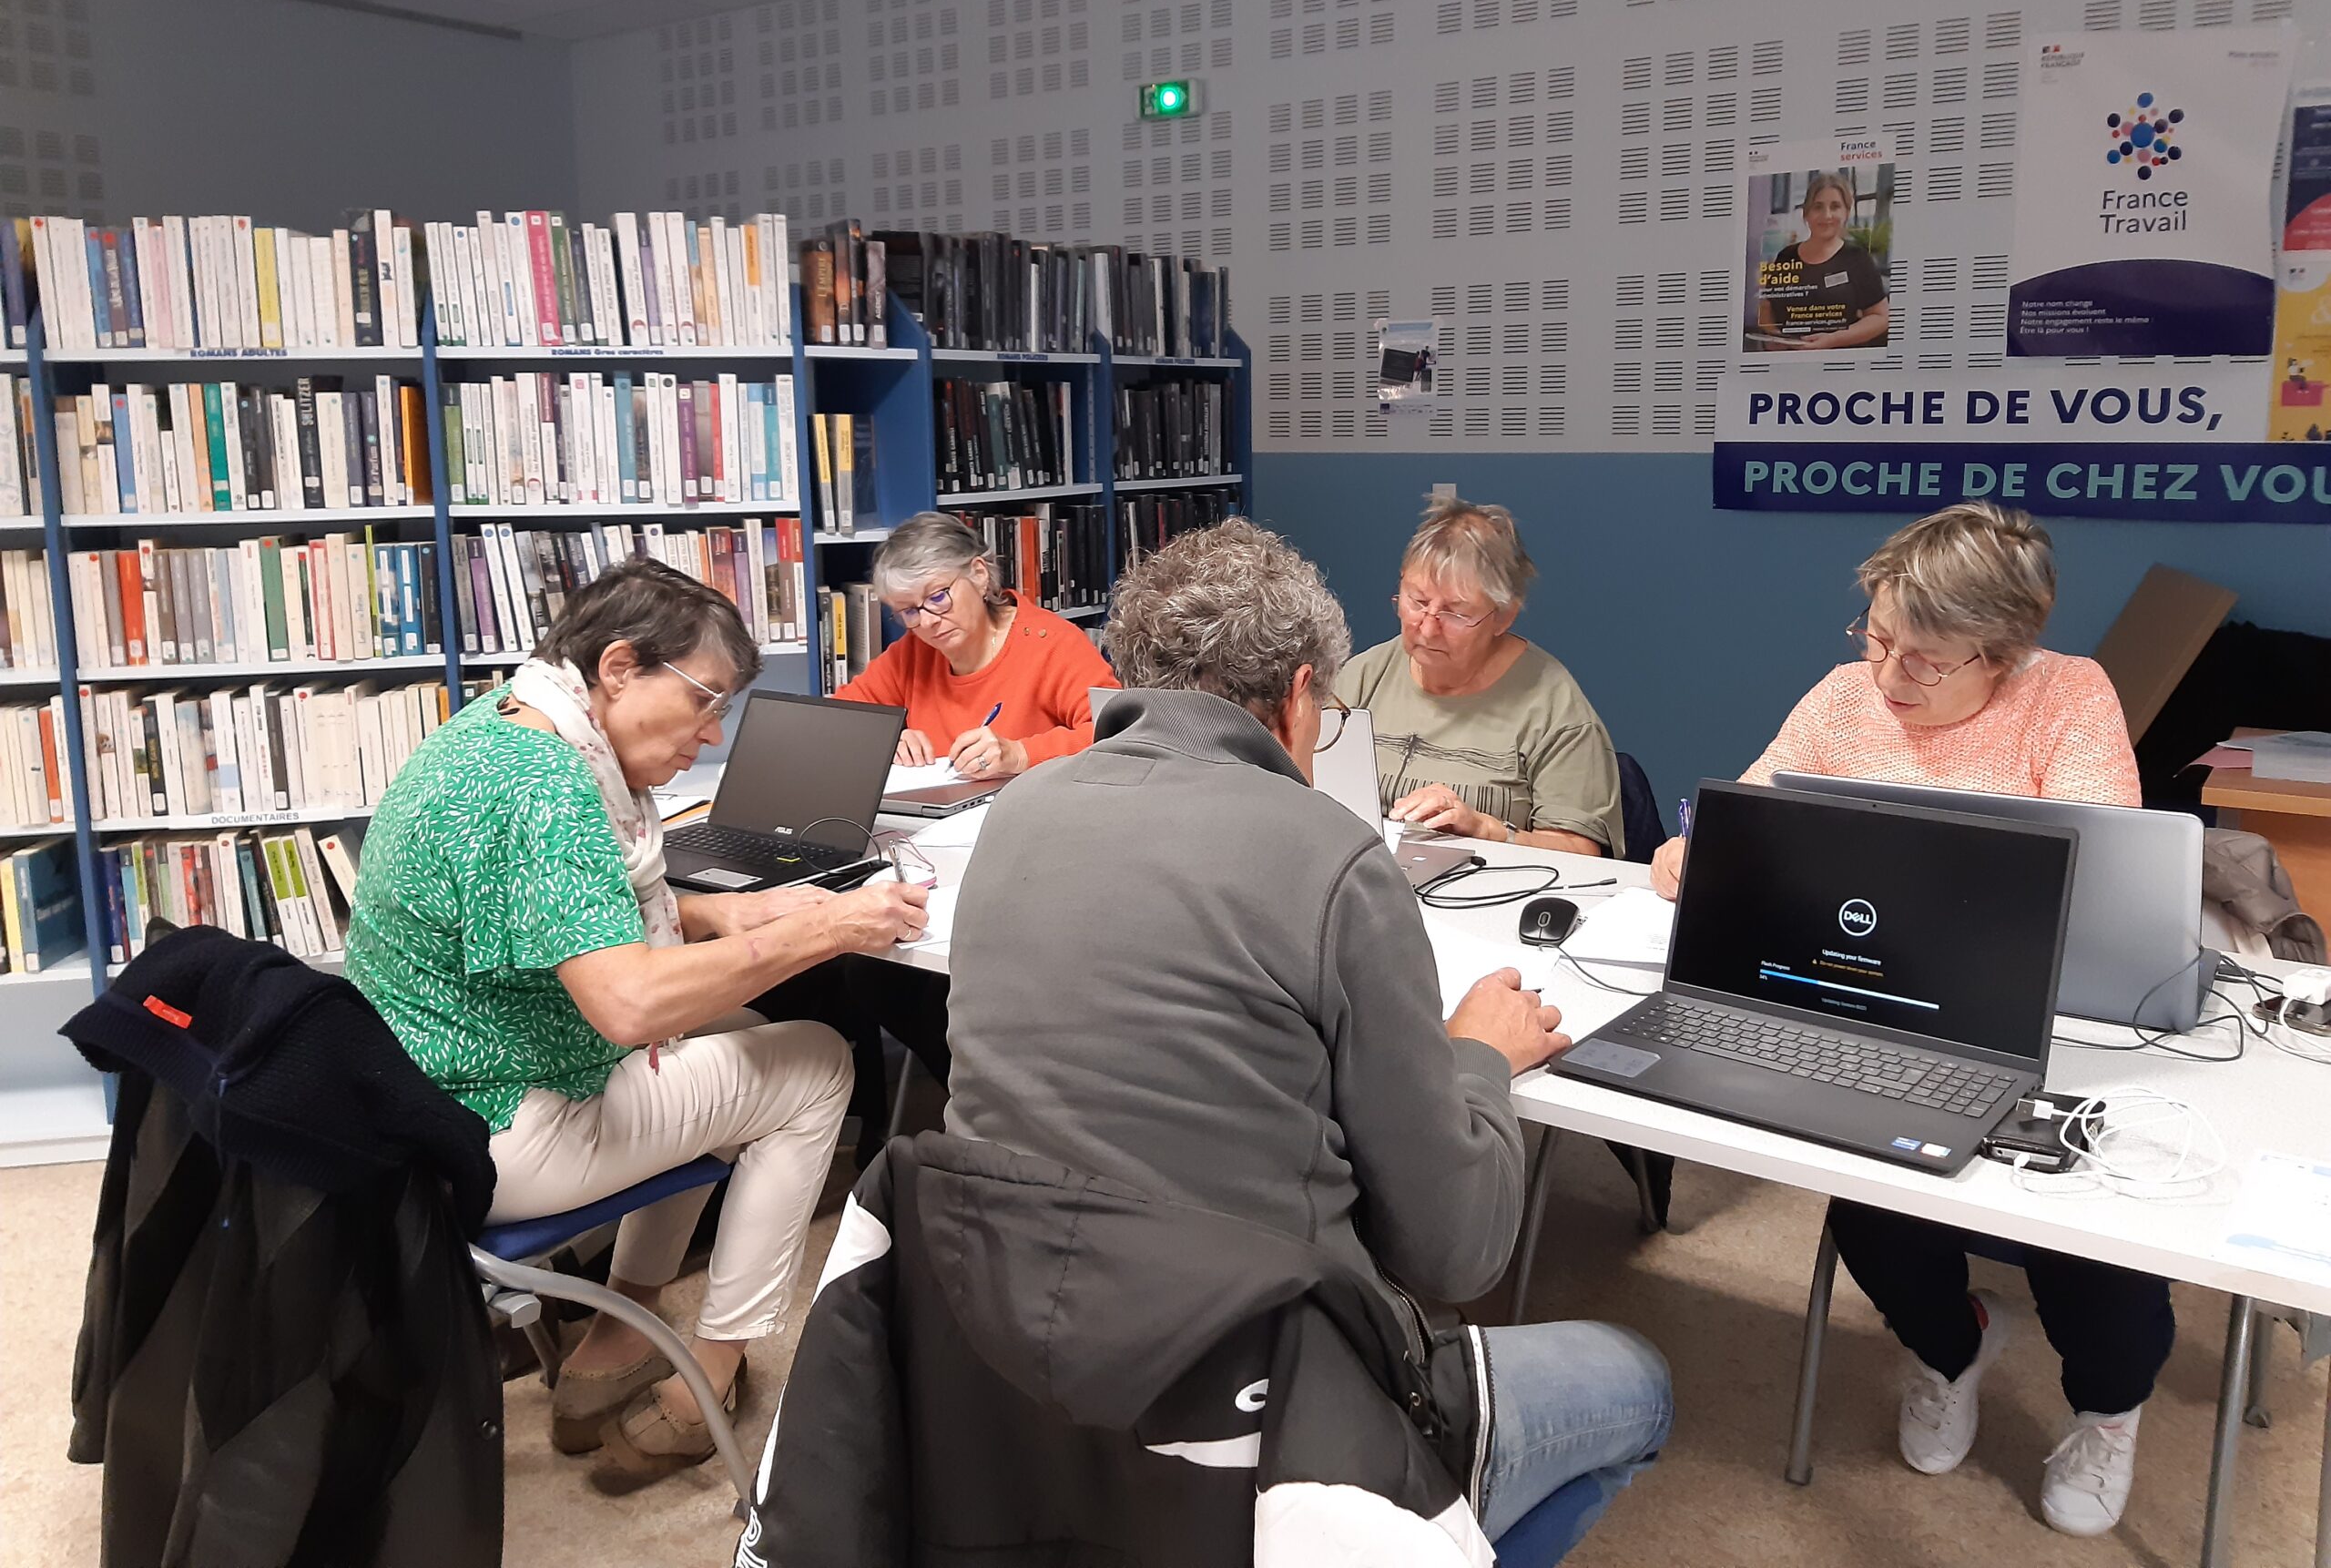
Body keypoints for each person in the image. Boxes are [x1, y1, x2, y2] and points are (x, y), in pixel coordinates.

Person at [944, 519, 1670, 1562]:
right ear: (1295, 696)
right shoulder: (1330, 855)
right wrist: (1477, 1056)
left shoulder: (1017, 810)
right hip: (1261, 1383)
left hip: (1015, 1342)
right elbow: (1455, 1251)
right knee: (1635, 1381)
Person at [347, 558, 927, 1481]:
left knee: (731, 1029)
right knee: (816, 1063)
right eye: (704, 701)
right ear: (619, 668)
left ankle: (617, 1339)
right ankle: (710, 1376)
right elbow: (628, 1006)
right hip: (492, 1129)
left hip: (417, 1099)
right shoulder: (546, 788)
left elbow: (552, 913)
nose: (711, 734)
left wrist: (717, 913)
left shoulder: (498, 731)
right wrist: (827, 928)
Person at [1649, 503, 2162, 1538]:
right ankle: (1950, 1347)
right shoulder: (1843, 700)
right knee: (1870, 1203)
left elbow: (2101, 903)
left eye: (1925, 659)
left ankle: (2108, 1411)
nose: (1888, 676)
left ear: (2004, 653)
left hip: (2038, 1027)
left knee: (2094, 1238)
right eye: (1878, 639)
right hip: (1871, 1011)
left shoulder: (2068, 698)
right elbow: (1747, 824)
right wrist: (1698, 858)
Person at [1339, 494, 1622, 856]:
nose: (1428, 628)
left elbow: (1581, 853)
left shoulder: (1554, 709)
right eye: (1417, 602)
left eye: (1456, 613)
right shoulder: (1361, 679)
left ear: (1503, 617)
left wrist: (1487, 830)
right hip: (1368, 877)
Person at [836, 510, 1117, 778]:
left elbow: (1117, 734)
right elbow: (834, 719)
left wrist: (1020, 754)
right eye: (909, 611)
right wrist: (885, 738)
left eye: (937, 597)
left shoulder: (1051, 644)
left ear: (979, 575)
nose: (927, 621)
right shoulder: (914, 652)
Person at [1752, 171, 1889, 351]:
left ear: (1846, 212)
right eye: (1818, 207)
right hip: (1790, 361)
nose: (1827, 215)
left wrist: (1833, 339)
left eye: (1835, 206)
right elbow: (1767, 307)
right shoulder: (1786, 256)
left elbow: (1881, 317)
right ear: (1806, 213)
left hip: (1839, 362)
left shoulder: (1857, 258)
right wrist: (1773, 335)